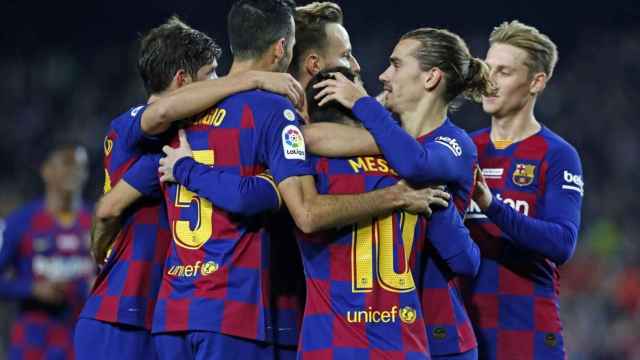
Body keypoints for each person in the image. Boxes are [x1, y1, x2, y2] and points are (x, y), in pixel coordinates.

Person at [152, 1, 437, 358]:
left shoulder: (189, 105)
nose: (357, 65)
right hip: (260, 310)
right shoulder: (277, 115)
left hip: (179, 303)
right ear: (284, 50)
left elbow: (154, 115)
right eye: (347, 55)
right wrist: (402, 169)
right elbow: (303, 210)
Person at [75, 16, 304, 360]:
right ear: (182, 80)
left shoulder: (170, 139)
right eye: (211, 73)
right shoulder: (153, 138)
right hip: (124, 312)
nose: (219, 81)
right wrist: (251, 78)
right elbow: (108, 208)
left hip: (153, 309)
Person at [308, 27, 497, 359]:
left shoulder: (455, 145)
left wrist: (361, 102)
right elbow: (313, 138)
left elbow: (416, 163)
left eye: (396, 65)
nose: (383, 75)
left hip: (441, 338)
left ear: (430, 78)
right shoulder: (386, 140)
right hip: (383, 332)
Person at [463, 20, 584, 360]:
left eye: (504, 72)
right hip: (461, 329)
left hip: (527, 332)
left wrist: (490, 204)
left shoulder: (557, 155)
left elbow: (561, 243)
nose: (490, 81)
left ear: (536, 82)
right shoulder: (464, 149)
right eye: (488, 69)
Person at [0, 144, 93, 359]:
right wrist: (31, 288)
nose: (74, 171)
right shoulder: (20, 222)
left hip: (81, 342)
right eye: (67, 163)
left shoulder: (99, 222)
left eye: (81, 165)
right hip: (34, 344)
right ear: (46, 170)